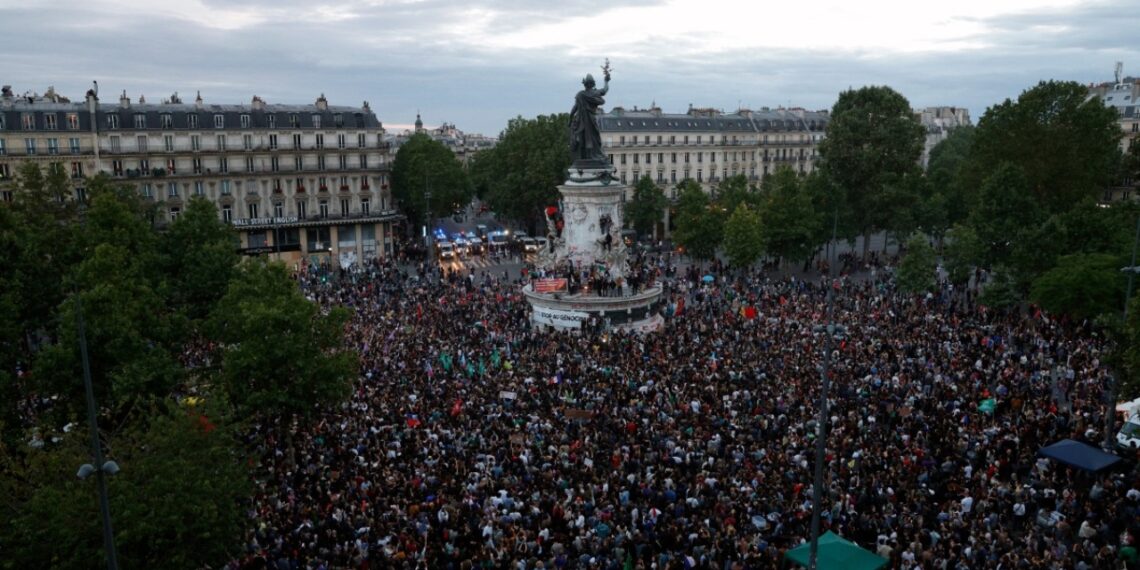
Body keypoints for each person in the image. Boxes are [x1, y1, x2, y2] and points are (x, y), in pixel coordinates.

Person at [569, 69, 610, 166]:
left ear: (585, 84)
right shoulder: (595, 93)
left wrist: (570, 119)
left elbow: (574, 108)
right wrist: (606, 81)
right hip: (591, 120)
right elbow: (605, 90)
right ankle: (594, 156)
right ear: (592, 84)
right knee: (595, 138)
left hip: (581, 121)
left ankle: (585, 157)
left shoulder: (580, 94)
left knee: (583, 138)